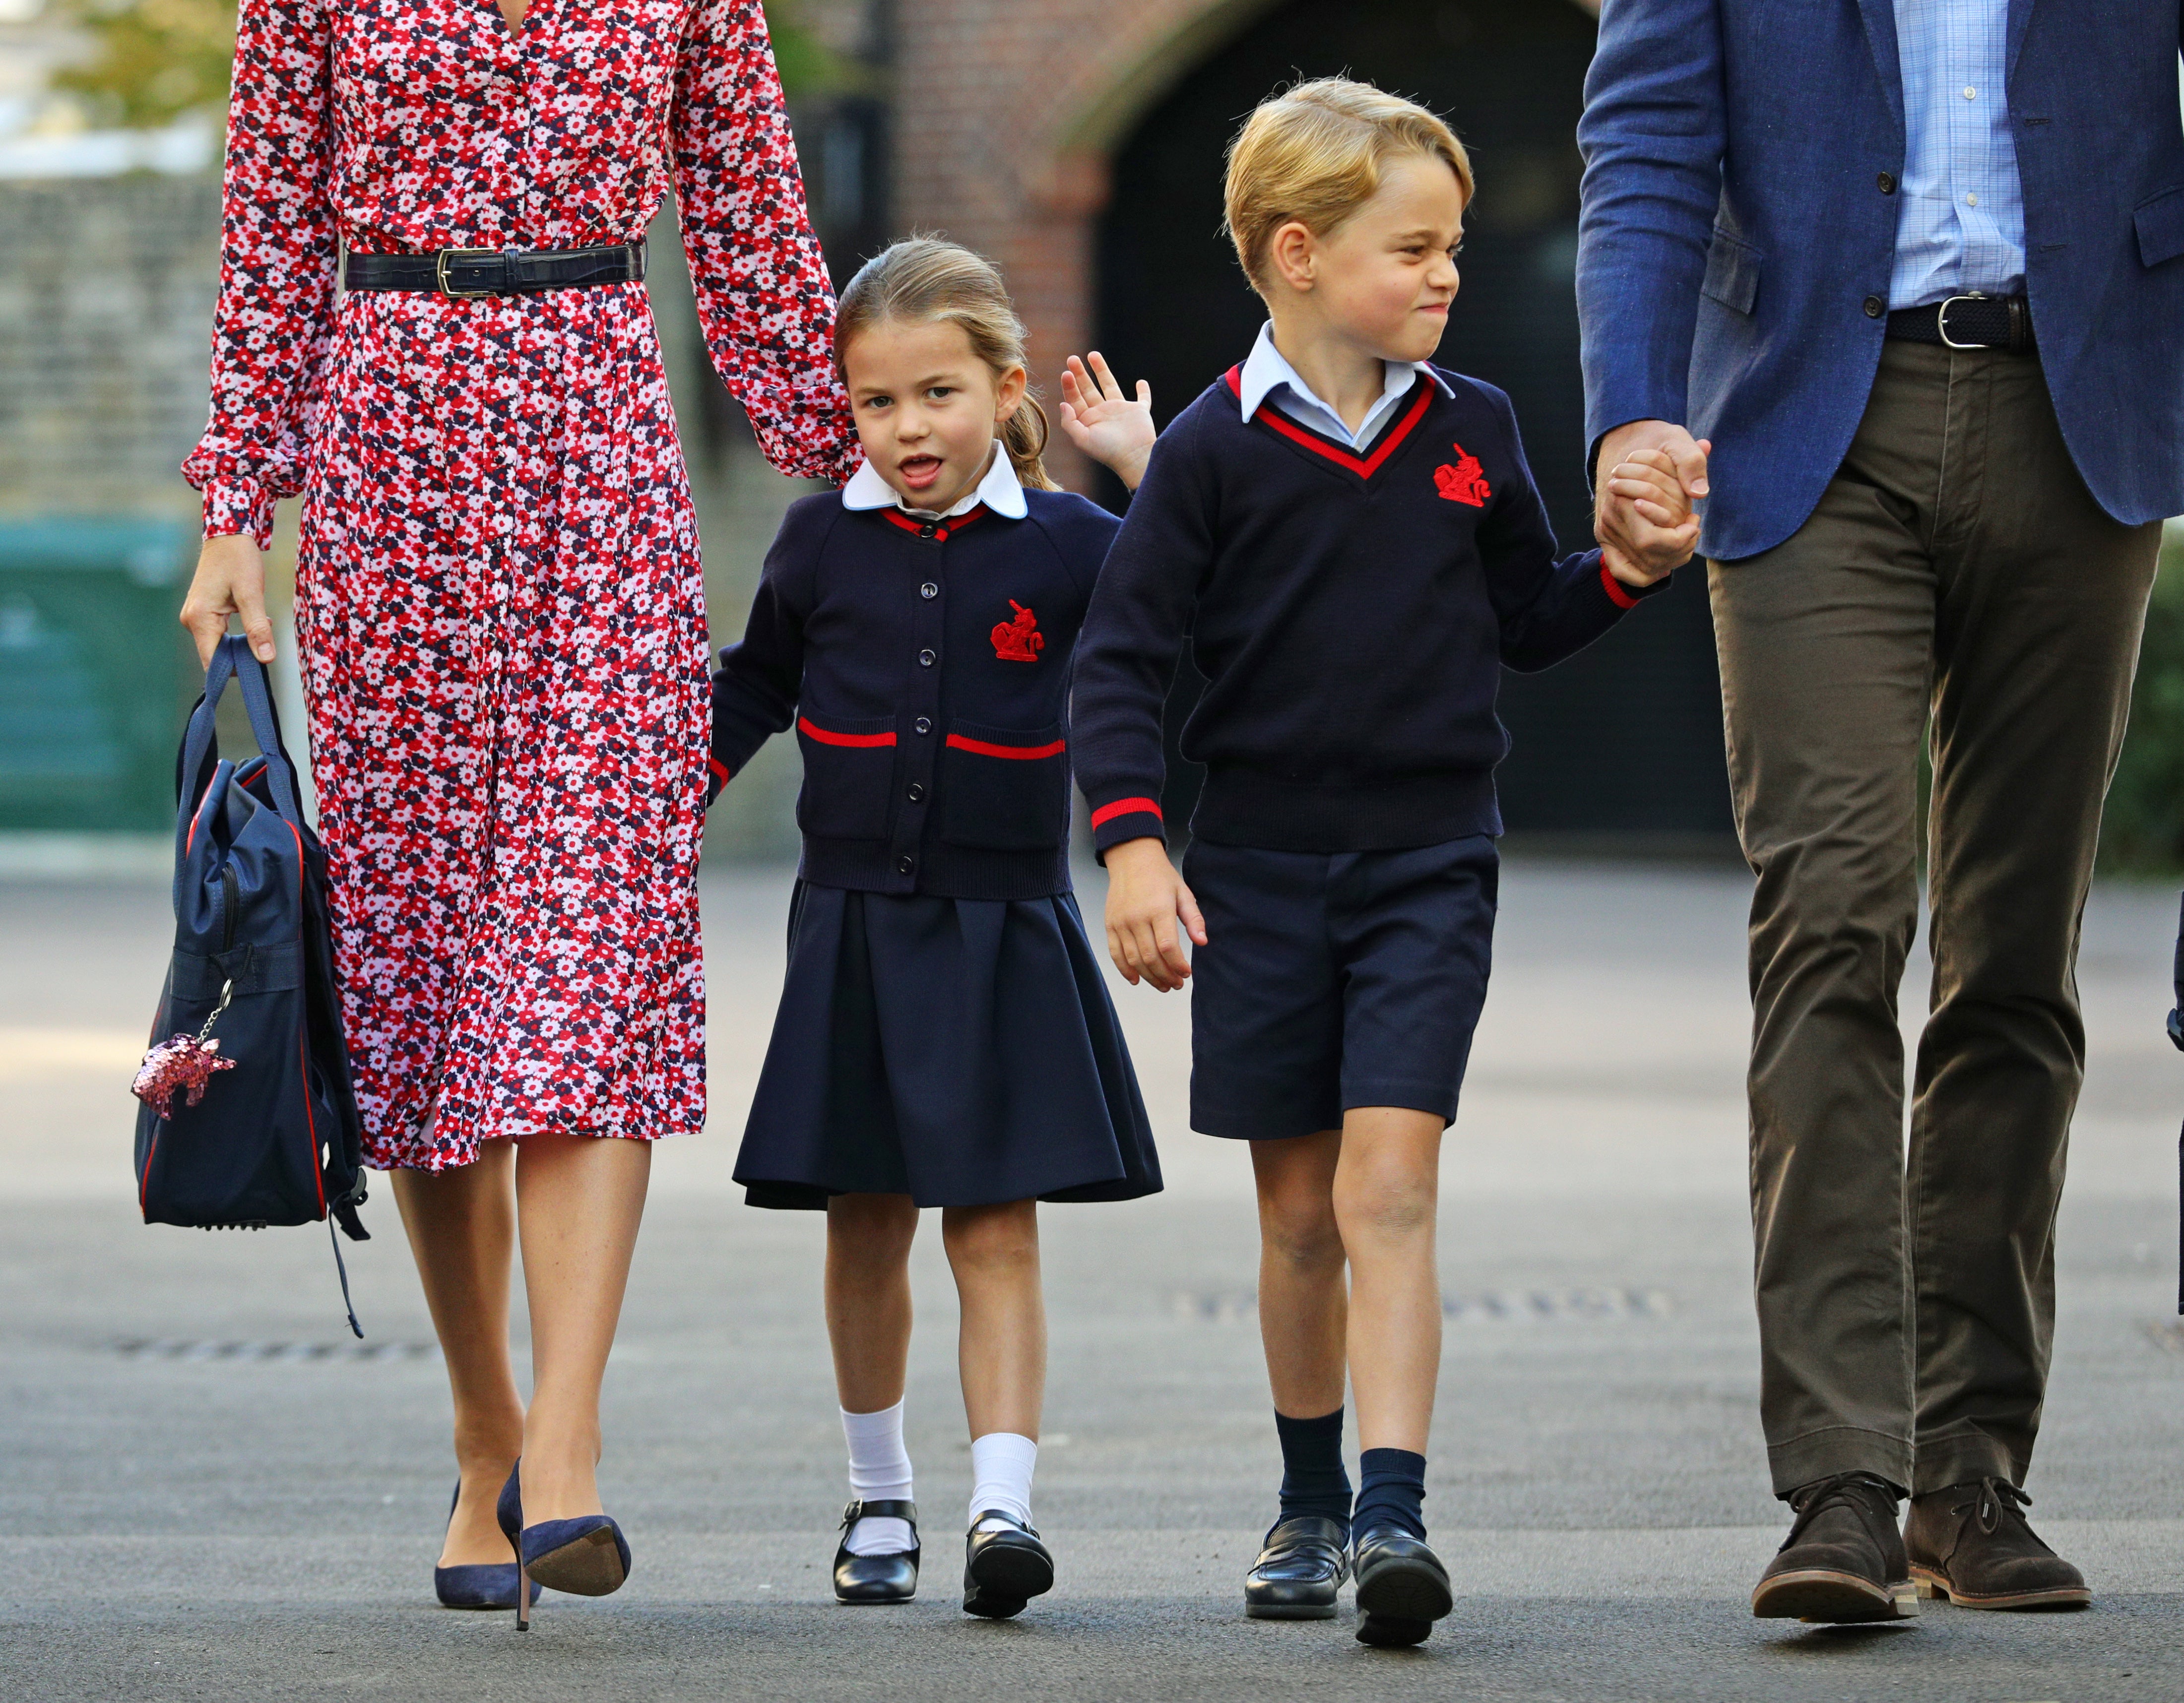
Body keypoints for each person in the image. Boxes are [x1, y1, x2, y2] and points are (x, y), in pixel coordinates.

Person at [174, 0, 856, 1626]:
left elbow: (756, 223)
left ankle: (567, 1438)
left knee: (593, 937)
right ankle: (484, 1418)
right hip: (388, 444)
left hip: (598, 437)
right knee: (419, 972)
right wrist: (232, 510)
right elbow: (270, 229)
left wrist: (894, 467)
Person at [1071, 78, 1700, 1647]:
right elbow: (1117, 664)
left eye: (1454, 248)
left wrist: (1623, 573)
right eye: (1411, 249)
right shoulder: (1209, 452)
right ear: (1296, 253)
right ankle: (1304, 1496)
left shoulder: (1474, 430)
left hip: (1430, 862)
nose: (1445, 275)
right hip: (1262, 872)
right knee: (1295, 1217)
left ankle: (1394, 1511)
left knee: (1388, 1186)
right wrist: (1135, 849)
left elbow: (1529, 619)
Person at [1578, 0, 2184, 1624]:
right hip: (1802, 424)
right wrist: (1631, 401)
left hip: (2084, 411)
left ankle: (1971, 1469)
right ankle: (1841, 1475)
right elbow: (1641, 143)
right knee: (1834, 915)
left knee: (2012, 959)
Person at [708, 238, 1164, 1620]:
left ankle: (1001, 1511)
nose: (909, 428)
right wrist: (645, 810)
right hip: (849, 922)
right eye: (876, 402)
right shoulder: (815, 539)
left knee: (995, 1222)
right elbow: (753, 687)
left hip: (1005, 925)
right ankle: (880, 1494)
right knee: (862, 1219)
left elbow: (1216, 599)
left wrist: (1148, 472)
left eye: (940, 394)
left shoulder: (1081, 546)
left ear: (1004, 387)